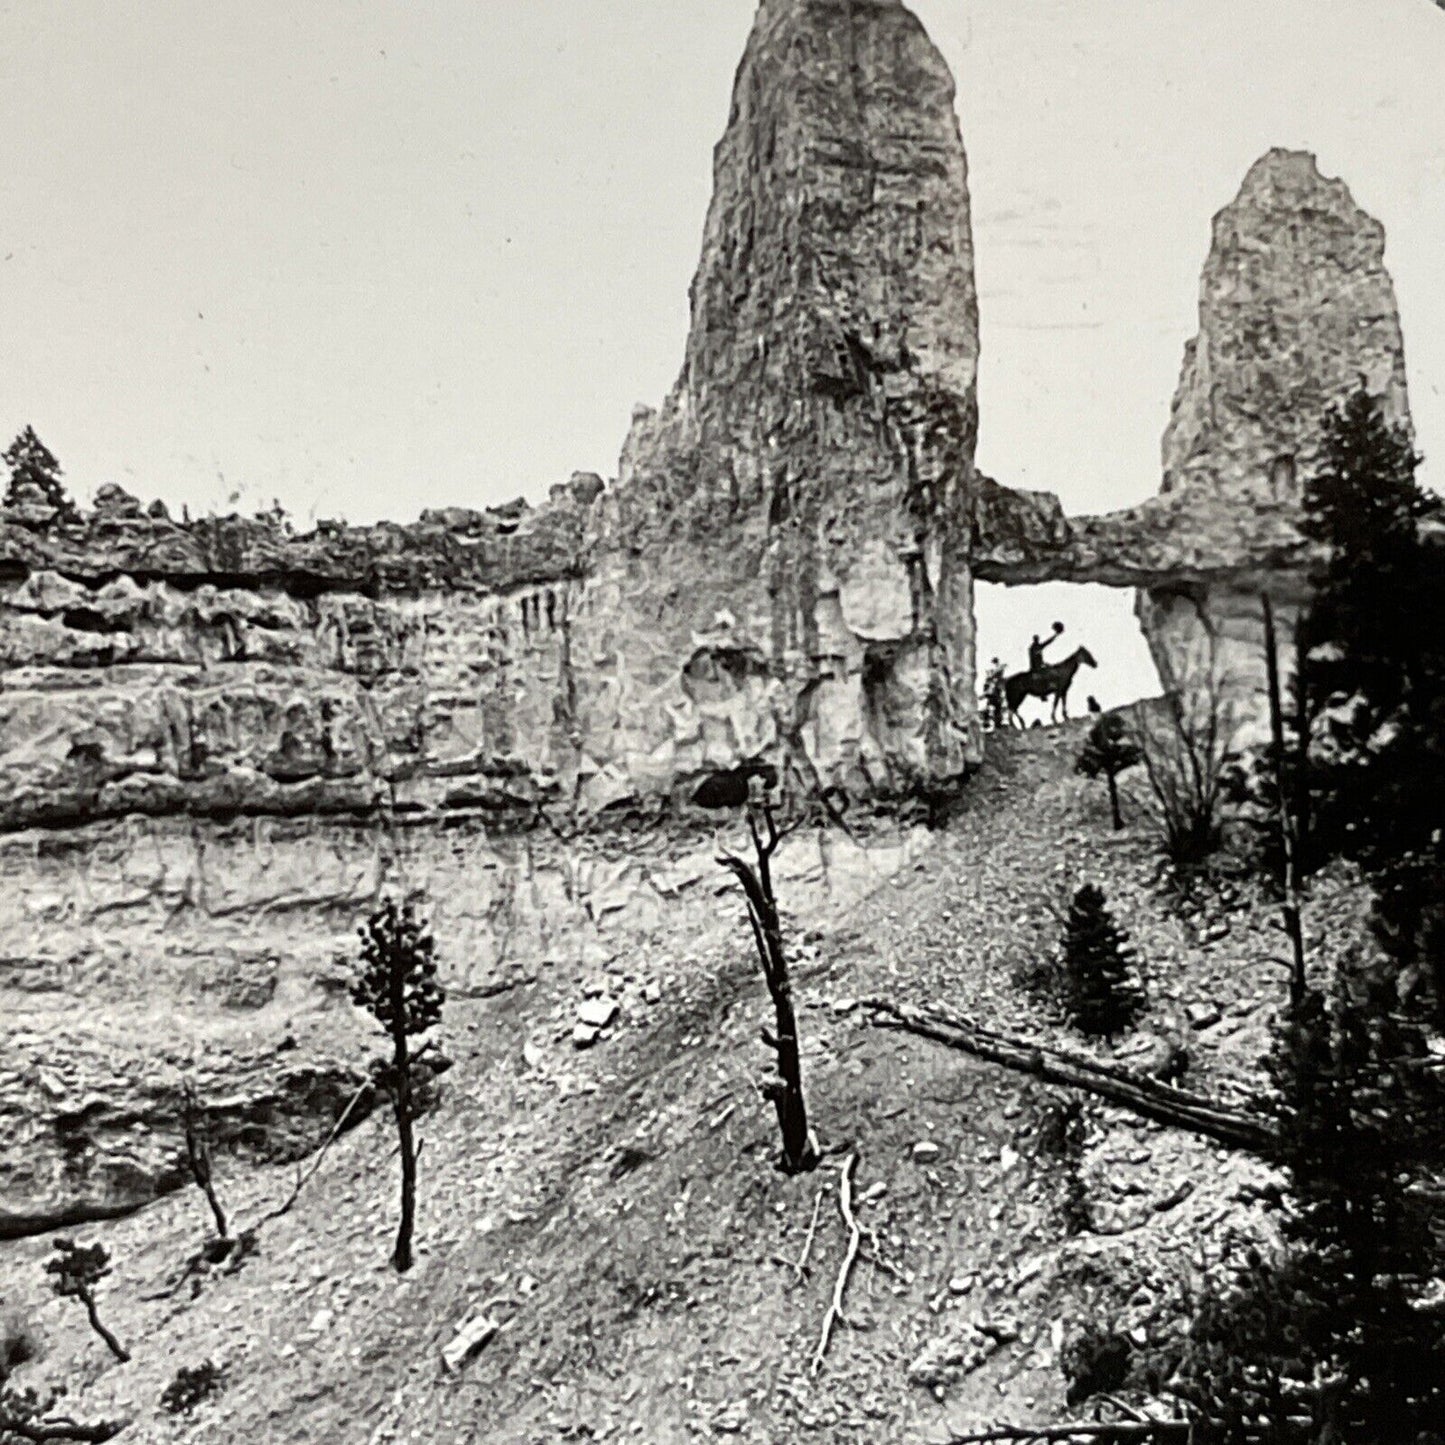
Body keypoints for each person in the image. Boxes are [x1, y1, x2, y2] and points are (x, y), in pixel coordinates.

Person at [982, 657, 1007, 730]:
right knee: (993, 710)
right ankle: (990, 722)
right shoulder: (990, 681)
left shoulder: (997, 681)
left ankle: (996, 724)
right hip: (994, 698)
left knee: (996, 710)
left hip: (996, 698)